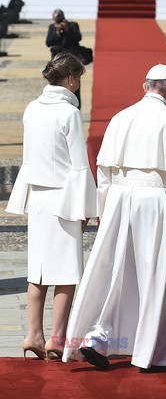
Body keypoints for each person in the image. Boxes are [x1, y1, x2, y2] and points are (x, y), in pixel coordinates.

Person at [62, 64, 166, 371]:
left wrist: (106, 216)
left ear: (145, 86)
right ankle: (151, 350)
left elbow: (103, 174)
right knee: (158, 275)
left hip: (119, 199)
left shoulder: (120, 118)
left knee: (116, 274)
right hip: (157, 201)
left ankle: (96, 339)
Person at [5, 53, 97, 362]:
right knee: (67, 270)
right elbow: (79, 166)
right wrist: (87, 206)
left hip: (39, 198)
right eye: (79, 79)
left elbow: (28, 158)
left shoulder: (32, 108)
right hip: (64, 198)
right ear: (70, 79)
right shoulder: (69, 113)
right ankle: (57, 338)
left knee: (39, 269)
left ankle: (33, 335)